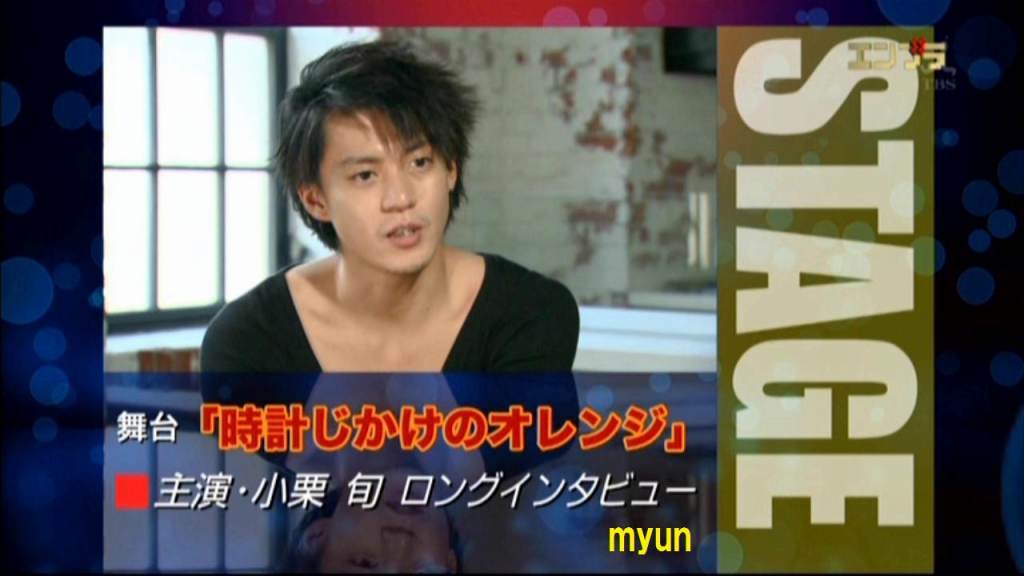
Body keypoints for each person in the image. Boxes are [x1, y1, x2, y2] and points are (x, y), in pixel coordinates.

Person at [199, 40, 580, 374]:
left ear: (451, 169)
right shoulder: (249, 340)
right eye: (366, 175)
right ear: (316, 200)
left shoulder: (531, 312)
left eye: (420, 163)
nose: (401, 198)